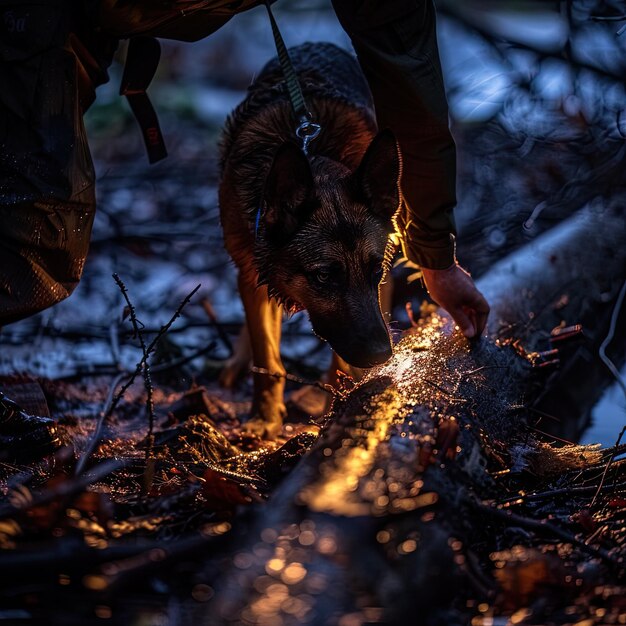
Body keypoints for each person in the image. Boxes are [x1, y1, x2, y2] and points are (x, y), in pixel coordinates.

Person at [0, 0, 489, 451]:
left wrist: (436, 259)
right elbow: (256, 272)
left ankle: (342, 385)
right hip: (50, 17)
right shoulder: (256, 210)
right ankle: (261, 374)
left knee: (351, 264)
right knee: (42, 220)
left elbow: (413, 95)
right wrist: (266, 394)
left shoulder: (369, 196)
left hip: (96, 23)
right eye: (324, 279)